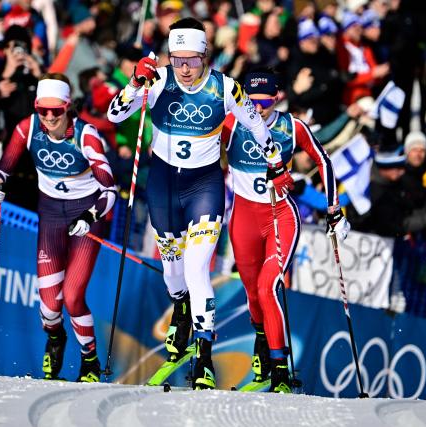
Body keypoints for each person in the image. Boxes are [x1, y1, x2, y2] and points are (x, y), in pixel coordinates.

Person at [107, 17, 292, 390]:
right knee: (174, 275)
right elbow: (115, 115)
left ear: (205, 55)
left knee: (196, 270)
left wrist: (272, 155)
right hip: (162, 186)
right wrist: (134, 84)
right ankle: (180, 308)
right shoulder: (157, 81)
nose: (185, 69)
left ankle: (204, 356)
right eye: (177, 60)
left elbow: (255, 123)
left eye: (192, 60)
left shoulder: (225, 87)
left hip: (203, 186)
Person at [222, 69, 349, 393]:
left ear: (276, 98)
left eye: (264, 102)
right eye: (252, 102)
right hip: (243, 219)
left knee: (268, 289)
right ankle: (262, 346)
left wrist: (333, 209)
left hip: (280, 215)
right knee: (252, 295)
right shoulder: (232, 122)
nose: (259, 109)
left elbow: (323, 160)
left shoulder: (291, 126)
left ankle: (279, 370)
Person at [0, 73, 117, 383]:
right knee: (48, 307)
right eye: (42, 110)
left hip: (88, 214)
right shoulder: (28, 127)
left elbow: (111, 190)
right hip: (51, 215)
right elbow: (4, 166)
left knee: (72, 297)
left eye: (55, 111)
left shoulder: (86, 136)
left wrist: (89, 217)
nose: (48, 118)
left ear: (68, 108)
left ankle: (89, 361)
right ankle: (56, 338)